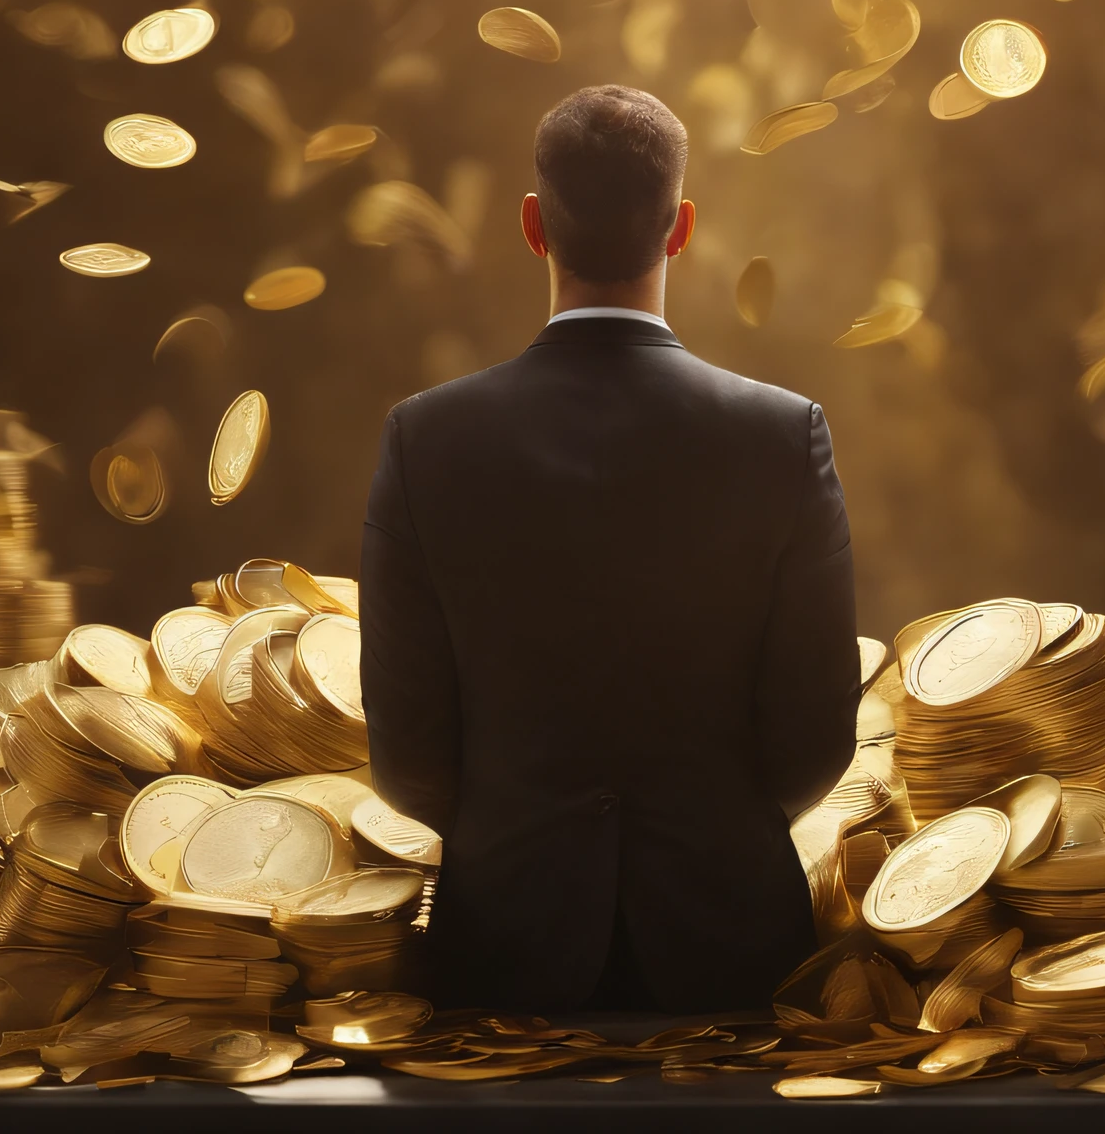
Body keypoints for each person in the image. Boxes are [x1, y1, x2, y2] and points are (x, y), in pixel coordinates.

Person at [357, 83, 859, 1014]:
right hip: (731, 958)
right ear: (681, 228)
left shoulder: (427, 441)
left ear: (532, 224)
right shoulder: (783, 436)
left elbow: (407, 755)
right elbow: (816, 741)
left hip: (503, 958)